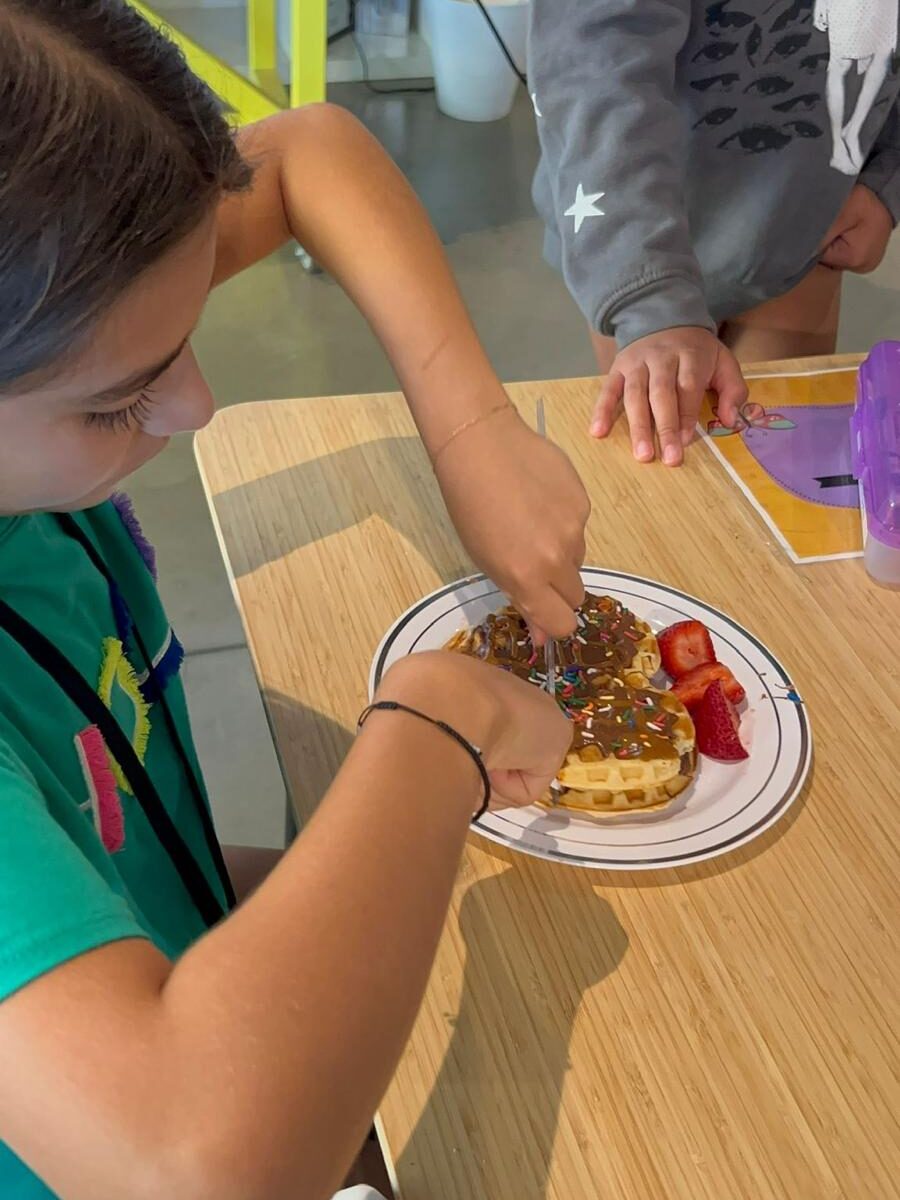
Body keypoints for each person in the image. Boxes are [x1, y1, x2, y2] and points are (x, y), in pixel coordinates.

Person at [0, 3, 584, 1197]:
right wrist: (437, 725)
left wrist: (472, 429)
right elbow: (194, 1164)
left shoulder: (56, 303)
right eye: (118, 403)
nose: (197, 406)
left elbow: (312, 150)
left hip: (166, 910)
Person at [529, 0, 900, 465]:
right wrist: (648, 301)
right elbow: (594, 62)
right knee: (671, 463)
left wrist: (887, 179)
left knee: (773, 466)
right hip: (637, 236)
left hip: (805, 231)